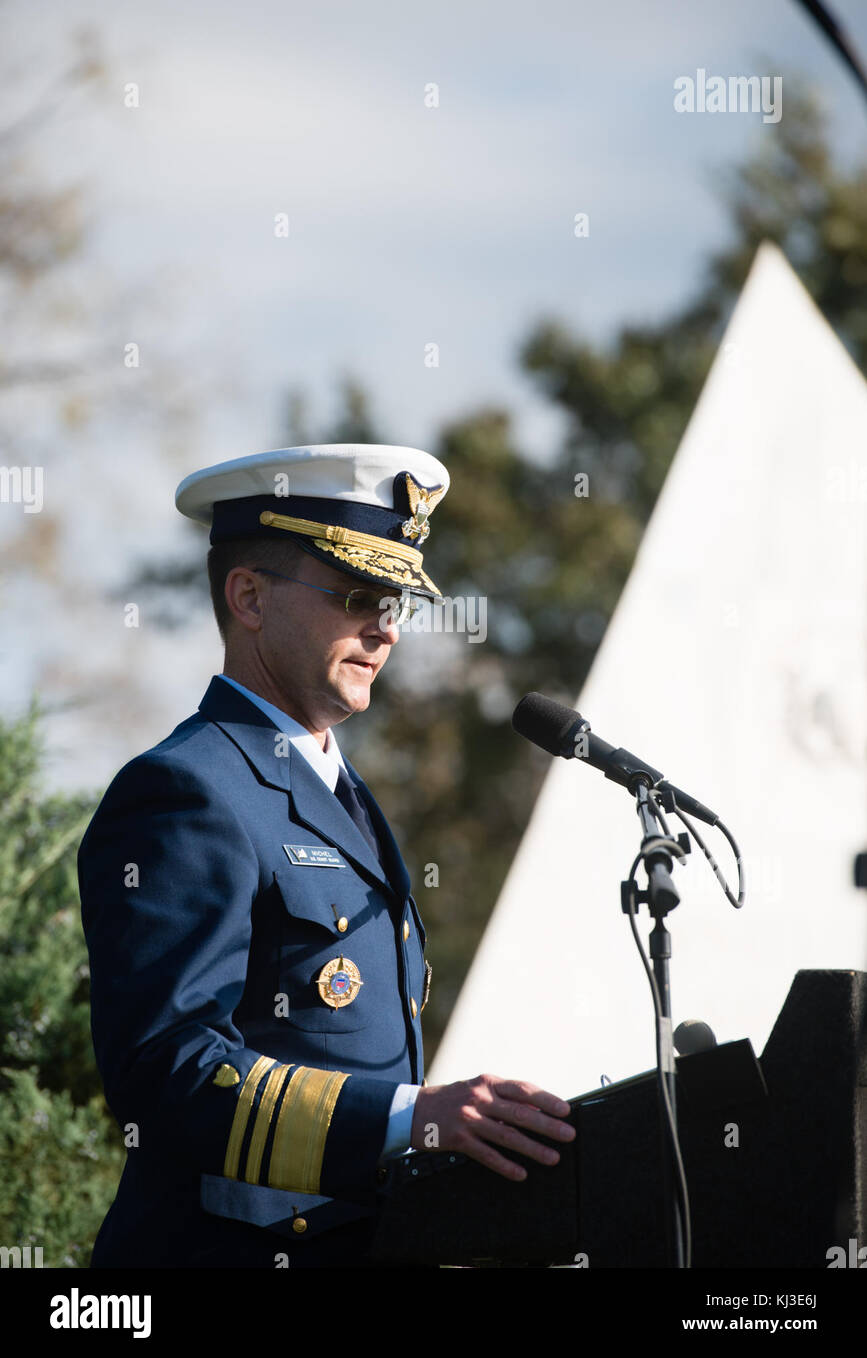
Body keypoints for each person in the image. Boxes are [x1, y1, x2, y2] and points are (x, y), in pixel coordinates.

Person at [78, 443, 575, 1268]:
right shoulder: (185, 789)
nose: (385, 627)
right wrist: (407, 1117)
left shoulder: (339, 793)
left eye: (398, 603)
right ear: (248, 598)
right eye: (357, 594)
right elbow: (162, 1073)